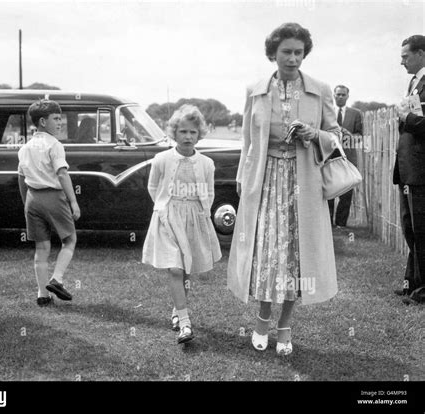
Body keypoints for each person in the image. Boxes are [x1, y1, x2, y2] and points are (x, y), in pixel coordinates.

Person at [227, 23, 341, 356]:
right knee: (266, 252)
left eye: (299, 52)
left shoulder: (320, 89)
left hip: (303, 181)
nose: (293, 59)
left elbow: (336, 138)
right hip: (264, 181)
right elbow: (247, 141)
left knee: (296, 255)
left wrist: (312, 133)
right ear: (273, 54)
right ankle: (262, 321)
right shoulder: (255, 90)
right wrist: (242, 176)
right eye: (286, 52)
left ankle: (285, 326)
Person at [142, 104, 222, 344]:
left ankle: (178, 312)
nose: (188, 137)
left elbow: (208, 190)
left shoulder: (206, 163)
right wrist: (163, 208)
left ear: (199, 135)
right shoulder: (162, 159)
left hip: (194, 217)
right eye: (183, 132)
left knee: (186, 269)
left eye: (193, 132)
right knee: (174, 267)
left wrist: (201, 213)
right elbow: (153, 186)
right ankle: (185, 324)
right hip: (168, 217)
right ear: (174, 133)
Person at [18, 100, 80, 306]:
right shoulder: (55, 145)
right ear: (43, 121)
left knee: (41, 248)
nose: (60, 122)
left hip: (32, 199)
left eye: (60, 118)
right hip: (53, 197)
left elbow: (21, 177)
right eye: (56, 118)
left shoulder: (25, 147)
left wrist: (25, 202)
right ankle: (57, 279)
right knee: (69, 240)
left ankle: (42, 295)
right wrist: (73, 201)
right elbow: (62, 174)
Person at [393, 34, 425, 305]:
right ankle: (411, 283)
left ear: (421, 54)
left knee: (422, 230)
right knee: (411, 229)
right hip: (408, 170)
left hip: (420, 170)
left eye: (405, 56)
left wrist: (407, 118)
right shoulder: (414, 84)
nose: (401, 61)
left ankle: (422, 290)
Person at [328, 85, 363, 228]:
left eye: (343, 95)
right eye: (338, 94)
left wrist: (347, 135)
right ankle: (328, 223)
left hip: (348, 157)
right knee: (329, 190)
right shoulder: (328, 112)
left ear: (348, 96)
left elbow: (360, 136)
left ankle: (341, 224)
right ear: (334, 95)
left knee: (347, 190)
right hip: (328, 156)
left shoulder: (355, 114)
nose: (340, 97)